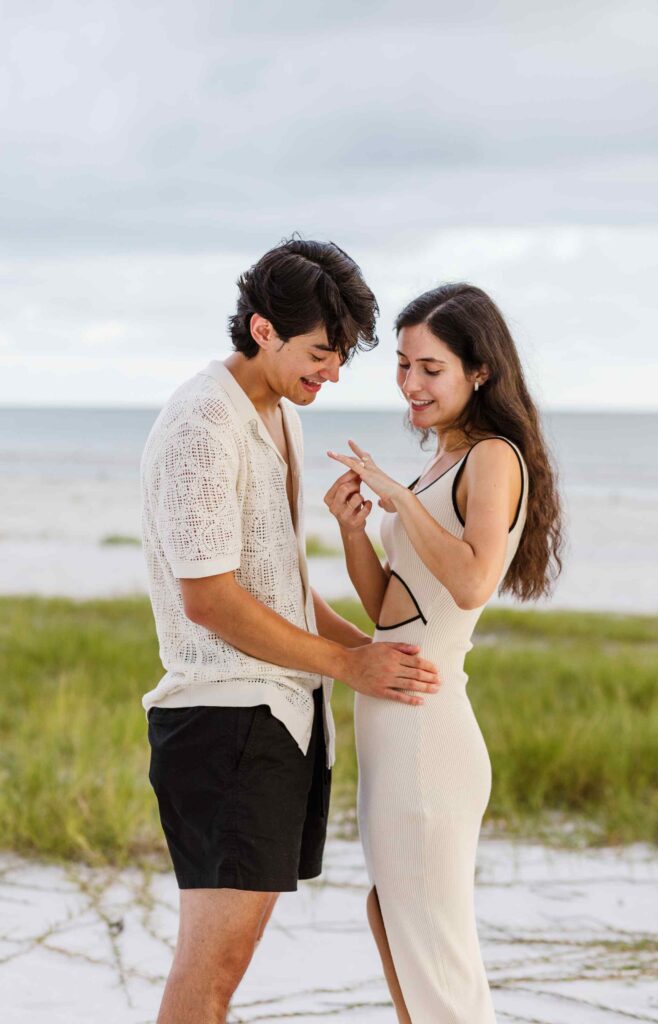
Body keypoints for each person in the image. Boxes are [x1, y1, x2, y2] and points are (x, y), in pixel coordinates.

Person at [139, 237, 441, 1024]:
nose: (332, 374)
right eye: (319, 353)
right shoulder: (203, 425)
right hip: (225, 721)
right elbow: (211, 600)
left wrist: (372, 654)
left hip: (273, 722)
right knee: (210, 974)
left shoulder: (275, 415)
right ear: (263, 328)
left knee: (223, 974)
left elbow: (280, 587)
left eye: (340, 357)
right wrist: (352, 668)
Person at [325, 282, 564, 1023]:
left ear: (478, 371)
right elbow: (391, 613)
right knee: (392, 918)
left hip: (429, 734)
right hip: (394, 726)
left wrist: (397, 498)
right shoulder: (437, 464)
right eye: (401, 365)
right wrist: (354, 530)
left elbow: (468, 582)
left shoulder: (492, 458)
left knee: (434, 950)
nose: (410, 384)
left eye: (430, 368)